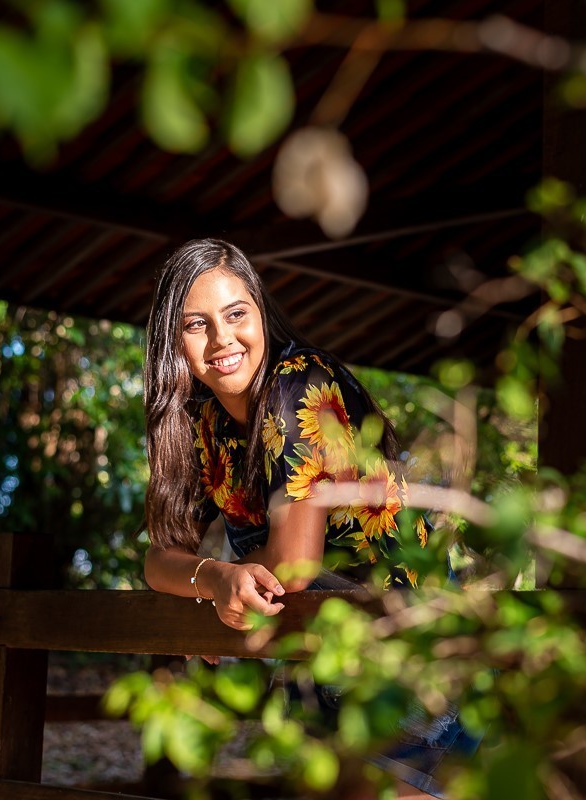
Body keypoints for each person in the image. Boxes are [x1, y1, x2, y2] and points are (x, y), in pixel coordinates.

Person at [140, 239, 476, 798]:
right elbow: (159, 559)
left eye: (236, 314)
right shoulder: (199, 422)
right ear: (172, 341)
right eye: (197, 324)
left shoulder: (298, 384)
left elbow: (293, 565)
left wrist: (221, 578)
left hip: (408, 640)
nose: (222, 339)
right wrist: (219, 579)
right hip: (317, 650)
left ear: (261, 313)